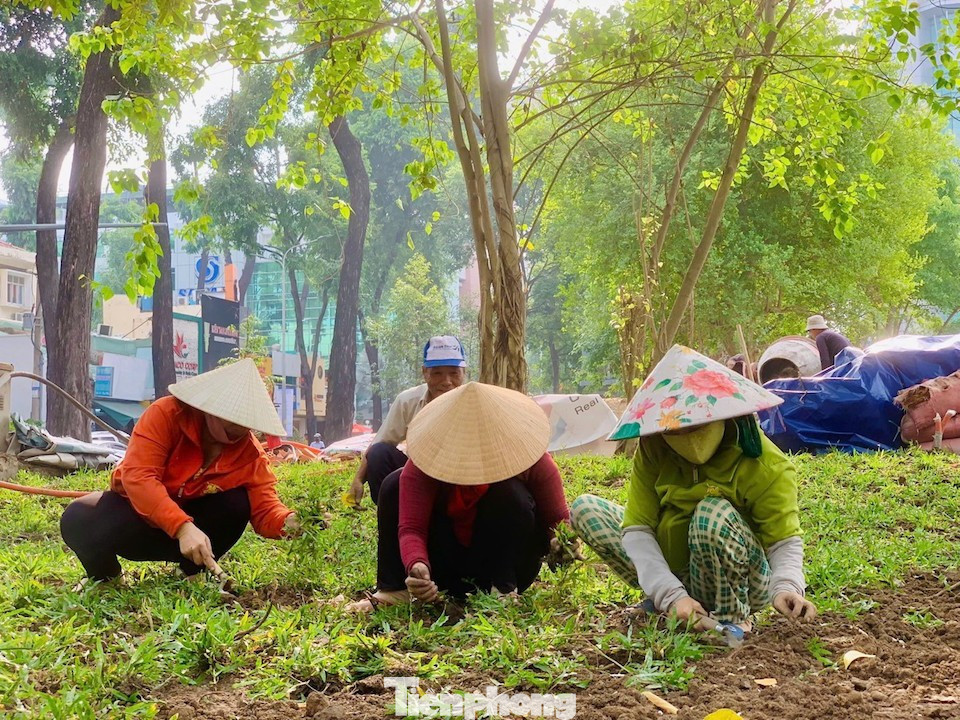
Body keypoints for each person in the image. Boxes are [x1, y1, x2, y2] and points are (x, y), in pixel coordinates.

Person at [570, 345, 815, 635]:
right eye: (676, 429)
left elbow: (782, 541)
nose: (689, 438)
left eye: (699, 425)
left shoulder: (763, 461)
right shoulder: (654, 449)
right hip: (677, 572)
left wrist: (785, 586)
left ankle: (732, 620)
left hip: (742, 578)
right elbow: (638, 529)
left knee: (711, 513)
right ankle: (674, 603)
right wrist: (670, 594)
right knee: (586, 509)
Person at [60, 358, 301, 585]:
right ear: (211, 407)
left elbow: (266, 508)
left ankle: (192, 572)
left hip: (196, 537)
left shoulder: (250, 454)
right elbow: (139, 477)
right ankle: (106, 577)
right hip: (138, 521)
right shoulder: (166, 415)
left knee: (237, 502)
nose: (240, 428)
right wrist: (182, 527)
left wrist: (288, 521)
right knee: (78, 517)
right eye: (233, 417)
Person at [347, 382, 575, 613]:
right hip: (445, 567)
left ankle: (503, 589)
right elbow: (412, 528)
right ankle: (393, 589)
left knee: (509, 491)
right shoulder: (422, 466)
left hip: (510, 564)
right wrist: (417, 564)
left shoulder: (533, 461)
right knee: (393, 484)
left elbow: (558, 520)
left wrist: (563, 542)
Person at [347, 335, 467, 506]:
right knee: (379, 453)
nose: (447, 382)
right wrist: (358, 480)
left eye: (454, 373)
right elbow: (380, 441)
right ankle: (393, 518)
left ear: (464, 373)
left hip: (462, 478)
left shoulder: (476, 402)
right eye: (437, 373)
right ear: (425, 373)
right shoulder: (408, 401)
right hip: (418, 475)